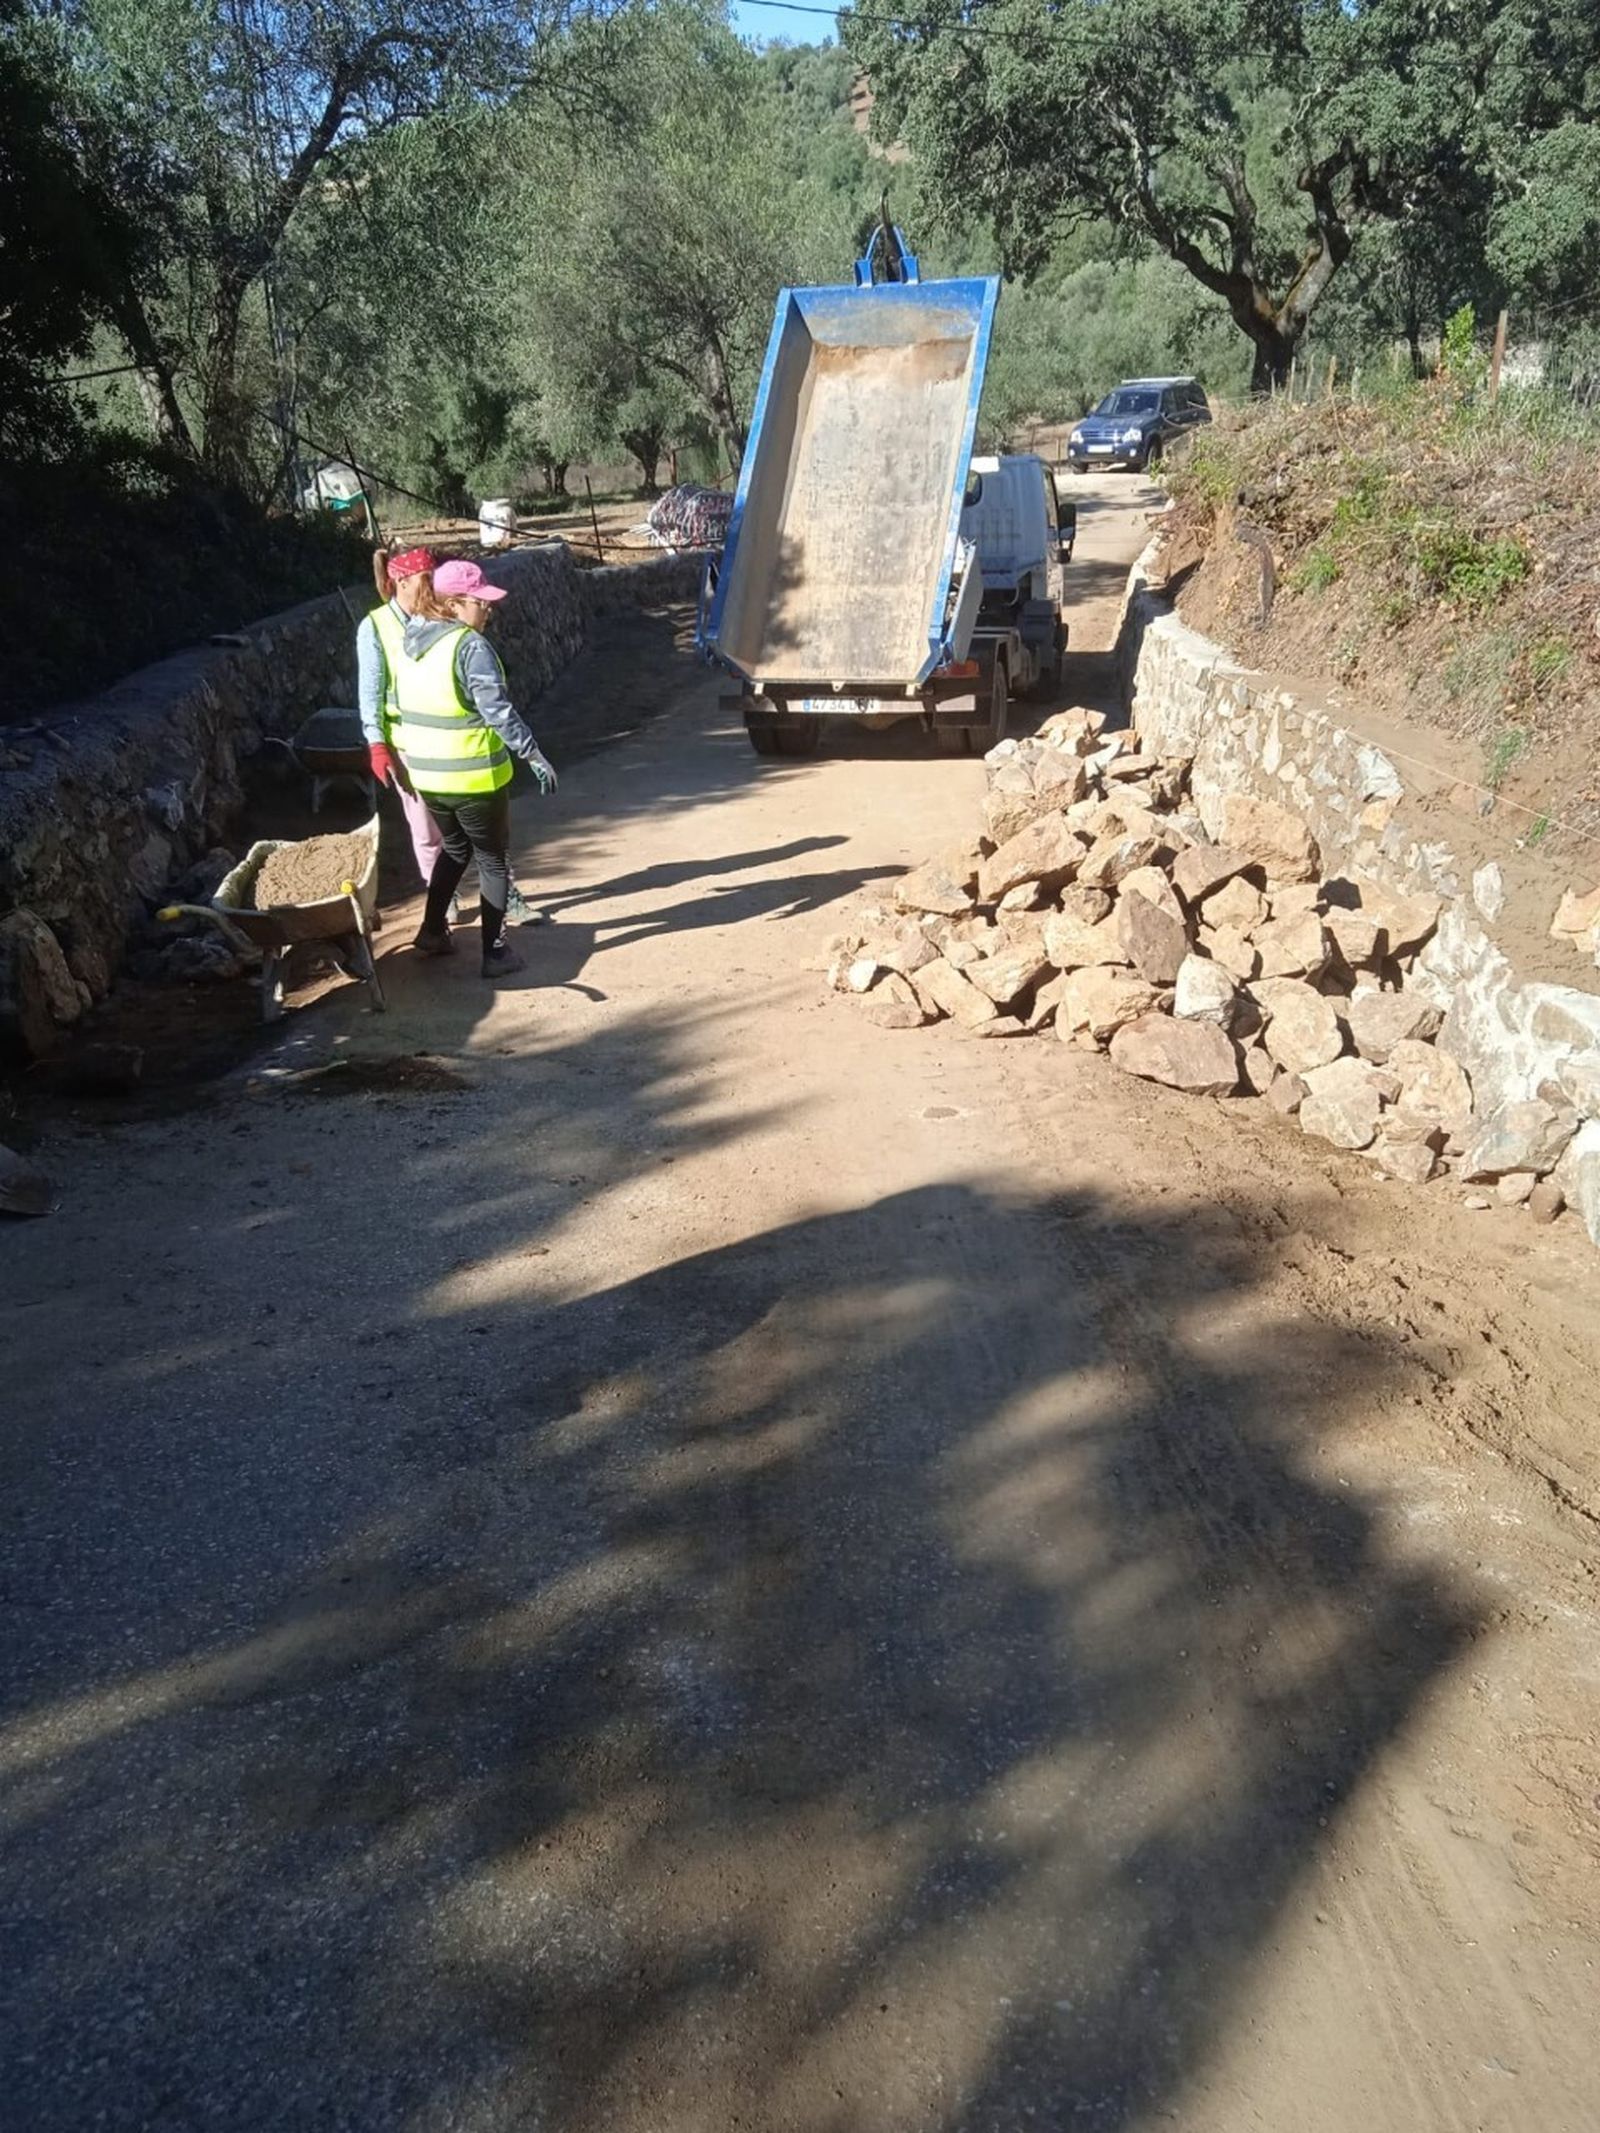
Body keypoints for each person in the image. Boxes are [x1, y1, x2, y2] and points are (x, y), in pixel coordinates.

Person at [391, 556, 558, 980]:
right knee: (493, 860)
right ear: (451, 605)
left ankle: (431, 933)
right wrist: (533, 753)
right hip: (474, 777)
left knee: (455, 849)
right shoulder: (469, 647)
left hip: (428, 778)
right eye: (479, 601)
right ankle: (496, 953)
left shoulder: (412, 642)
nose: (488, 609)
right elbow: (498, 713)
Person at [356, 547, 540, 926]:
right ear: (400, 583)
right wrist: (377, 744)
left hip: (455, 744)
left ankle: (505, 895)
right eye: (425, 582)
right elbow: (370, 692)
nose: (431, 589)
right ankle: (445, 899)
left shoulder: (434, 621)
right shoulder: (375, 627)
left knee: (484, 833)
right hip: (408, 746)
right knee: (427, 830)